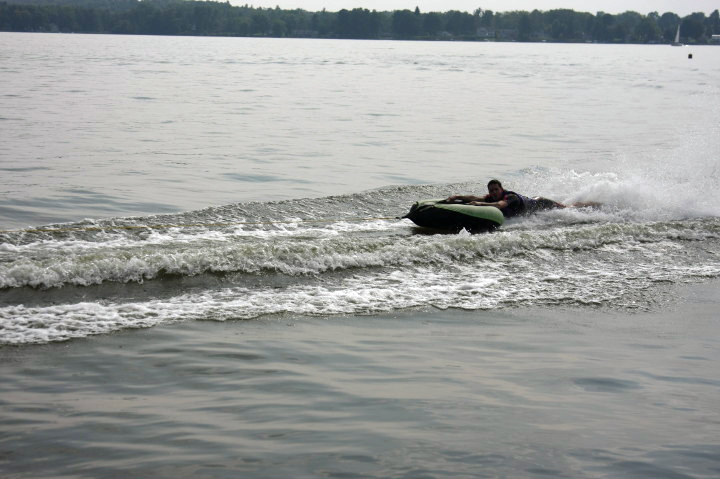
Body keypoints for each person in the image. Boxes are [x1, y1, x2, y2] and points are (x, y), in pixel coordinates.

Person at [443, 179, 596, 218]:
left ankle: (591, 204)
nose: (494, 192)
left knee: (566, 208)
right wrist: (457, 196)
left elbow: (500, 205)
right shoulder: (490, 197)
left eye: (496, 189)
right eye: (491, 190)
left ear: (501, 189)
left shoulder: (509, 197)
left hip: (540, 203)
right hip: (531, 203)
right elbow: (474, 197)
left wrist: (478, 204)